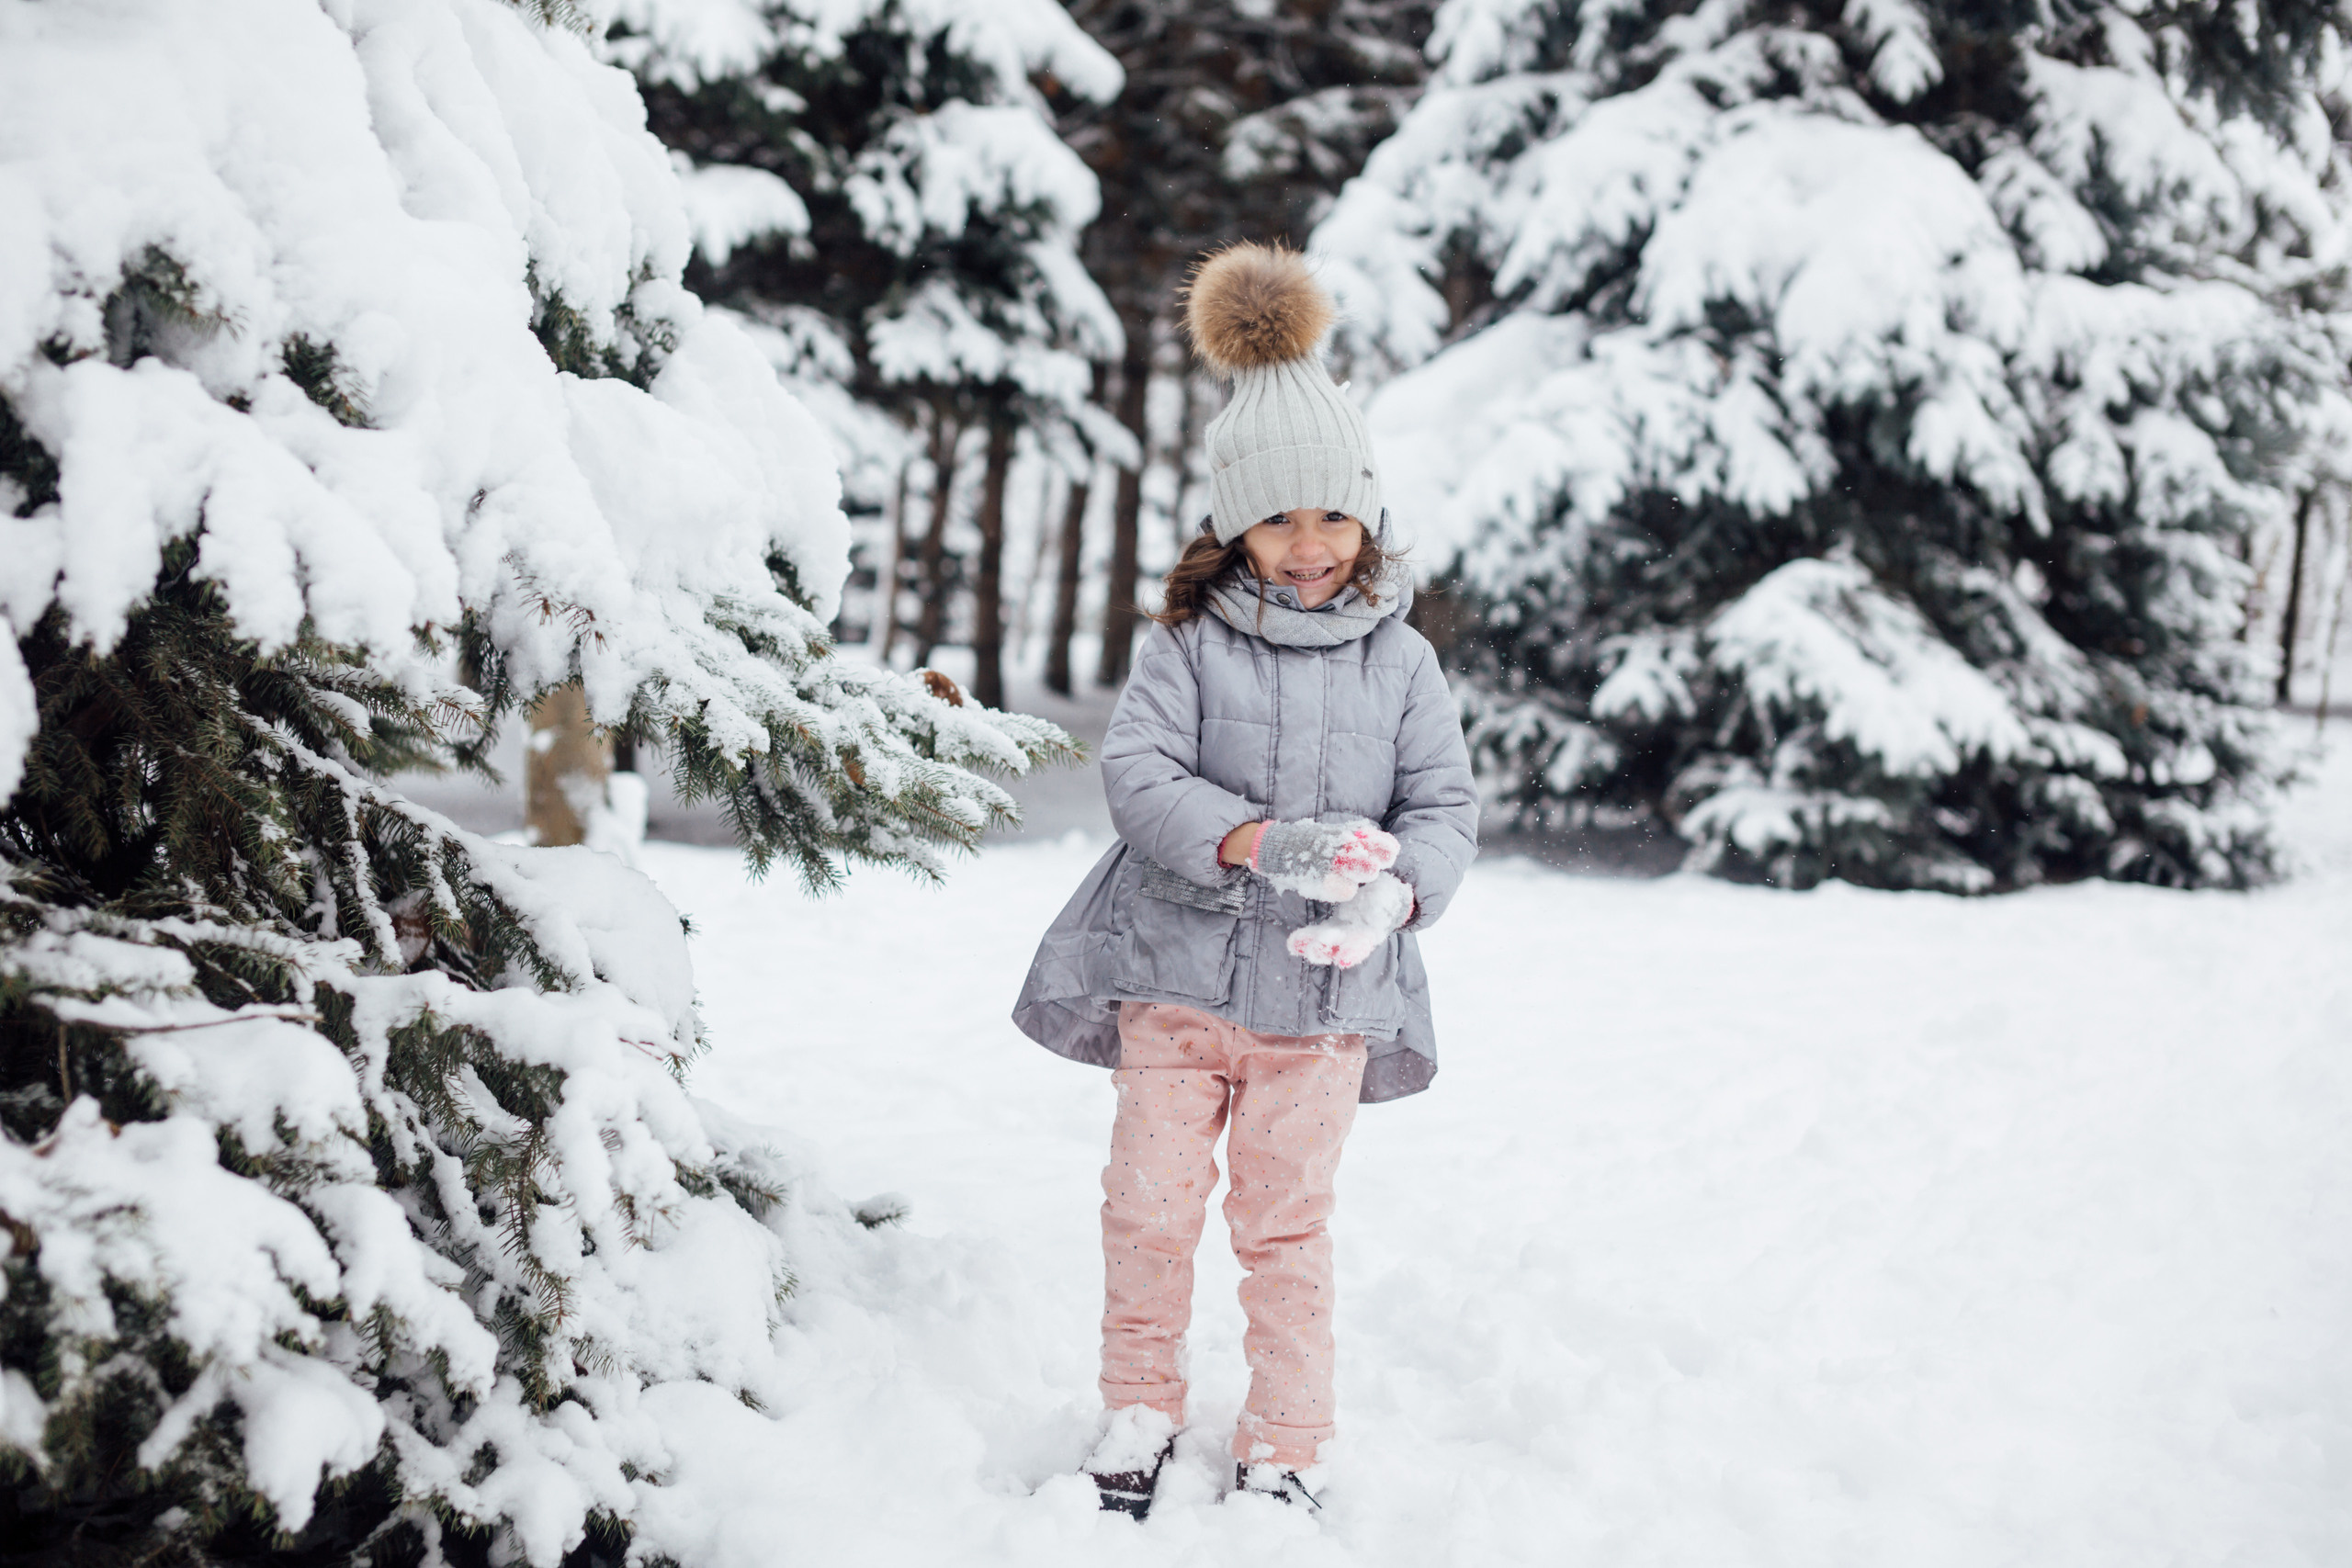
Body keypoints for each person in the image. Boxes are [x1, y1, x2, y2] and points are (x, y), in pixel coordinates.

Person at [1012, 243, 1479, 1517]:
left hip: (1322, 1004)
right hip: (1174, 979)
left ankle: (1288, 1434)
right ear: (1234, 524)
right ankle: (1138, 1403)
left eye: (1332, 514)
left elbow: (1444, 807)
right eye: (1281, 516)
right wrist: (1257, 842)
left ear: (1365, 517)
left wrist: (1400, 895)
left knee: (1285, 1229)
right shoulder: (1187, 646)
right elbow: (1140, 778)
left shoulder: (1403, 666)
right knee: (1150, 1210)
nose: (1310, 543)